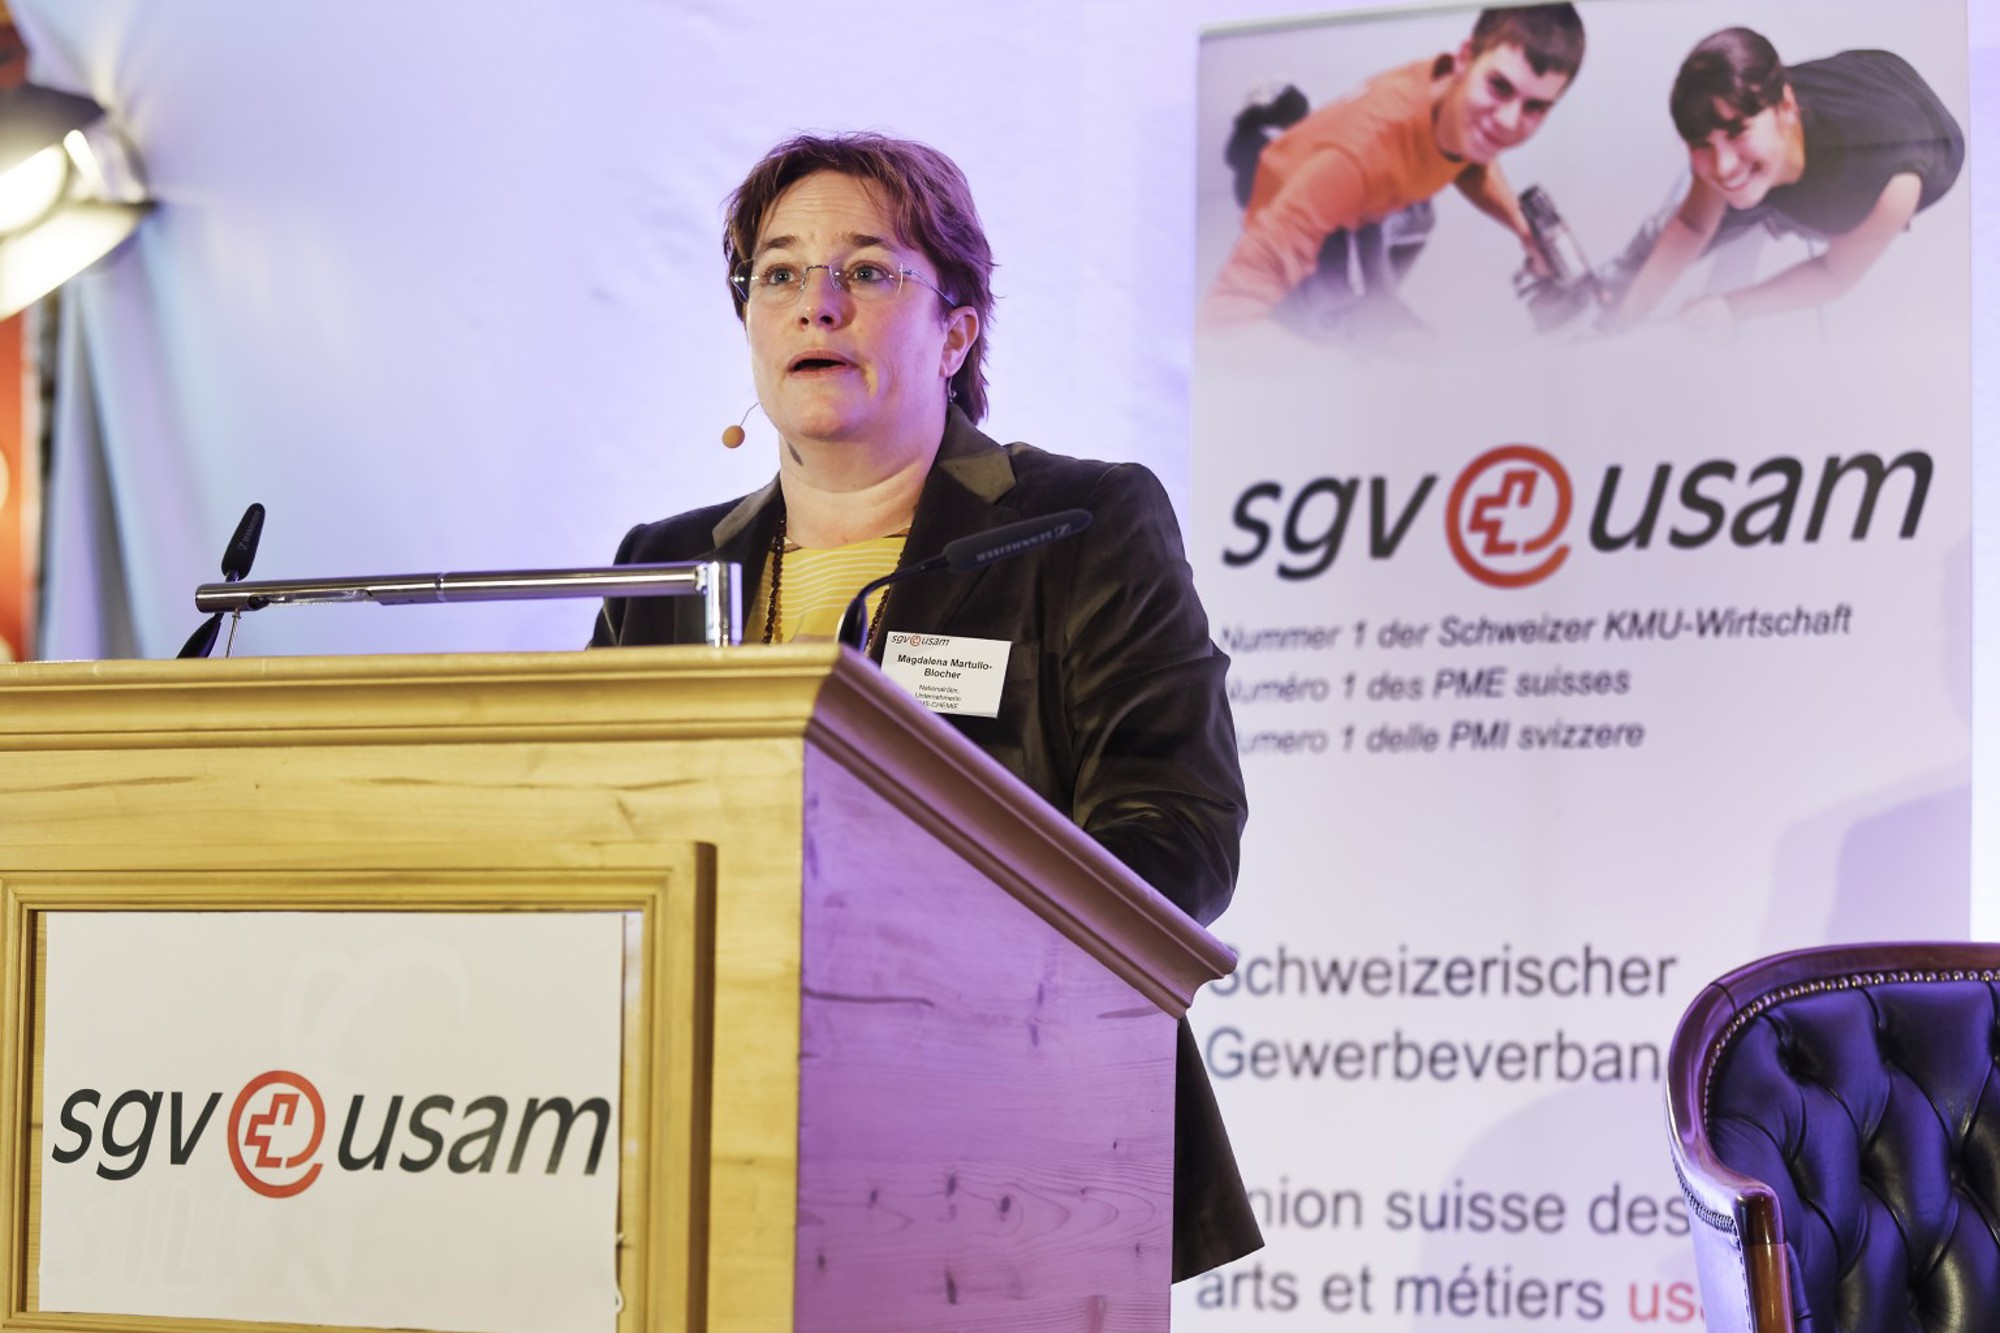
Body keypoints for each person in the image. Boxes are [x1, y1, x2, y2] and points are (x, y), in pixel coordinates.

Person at [592, 132, 1260, 1280]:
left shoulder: (1077, 524)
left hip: (1012, 1133)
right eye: (778, 272)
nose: (817, 303)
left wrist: (939, 953)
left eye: (865, 269)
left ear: (956, 331)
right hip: (696, 1120)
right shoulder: (660, 567)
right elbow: (593, 845)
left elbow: (1176, 835)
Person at [1202, 4, 1586, 335]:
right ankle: (1265, 121)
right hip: (1295, 191)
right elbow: (1222, 322)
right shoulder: (1354, 160)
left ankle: (1294, 109)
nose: (1507, 121)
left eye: (1535, 107)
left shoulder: (1453, 97)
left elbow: (1469, 161)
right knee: (1336, 322)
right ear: (1465, 57)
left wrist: (1524, 229)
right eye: (1499, 87)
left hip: (1356, 175)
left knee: (1416, 216)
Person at [1607, 28, 1963, 336]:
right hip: (1855, 81)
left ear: (1787, 108)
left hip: (1906, 140)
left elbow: (1834, 275)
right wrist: (1627, 316)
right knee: (1712, 207)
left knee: (1794, 218)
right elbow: (1692, 224)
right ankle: (1608, 292)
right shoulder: (1727, 116)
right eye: (1702, 144)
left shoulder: (1890, 185)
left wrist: (1733, 306)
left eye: (1737, 132)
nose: (1723, 166)